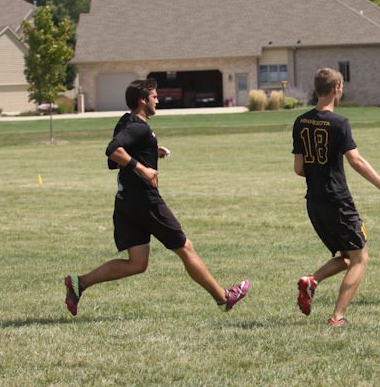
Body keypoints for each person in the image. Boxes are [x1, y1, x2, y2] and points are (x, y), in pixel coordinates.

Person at [63, 78, 249, 316]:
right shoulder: (139, 127)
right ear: (143, 100)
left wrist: (150, 151)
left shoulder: (126, 121)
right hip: (145, 202)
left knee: (137, 263)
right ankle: (224, 297)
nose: (158, 100)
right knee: (185, 247)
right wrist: (142, 168)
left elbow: (118, 158)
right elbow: (113, 151)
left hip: (126, 202)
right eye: (154, 97)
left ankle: (79, 283)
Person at [293, 68, 380, 327]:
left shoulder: (301, 122)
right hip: (337, 201)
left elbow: (299, 169)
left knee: (347, 256)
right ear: (337, 89)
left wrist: (318, 171)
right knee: (360, 259)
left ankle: (312, 281)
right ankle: (337, 317)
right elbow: (356, 161)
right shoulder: (339, 123)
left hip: (314, 202)